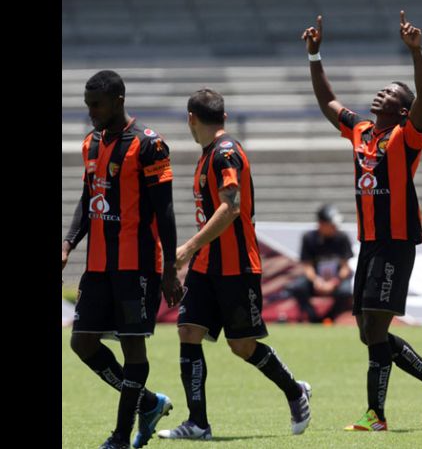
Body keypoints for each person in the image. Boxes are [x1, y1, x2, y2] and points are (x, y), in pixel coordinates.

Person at [302, 11, 422, 432]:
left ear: (404, 109)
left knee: (375, 326)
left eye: (389, 93)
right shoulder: (362, 131)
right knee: (366, 332)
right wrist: (315, 58)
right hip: (369, 242)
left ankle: (376, 414)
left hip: (396, 240)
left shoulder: (407, 136)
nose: (379, 94)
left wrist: (417, 54)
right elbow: (327, 103)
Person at [159, 88, 311, 440]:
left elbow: (231, 208)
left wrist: (187, 247)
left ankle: (294, 391)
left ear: (191, 118)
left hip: (237, 265)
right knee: (188, 331)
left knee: (242, 346)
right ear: (223, 117)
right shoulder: (208, 153)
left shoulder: (225, 153)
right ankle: (198, 423)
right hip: (207, 265)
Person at [61, 70, 185, 449]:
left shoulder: (149, 145)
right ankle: (147, 403)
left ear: (118, 100)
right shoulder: (92, 144)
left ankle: (120, 435)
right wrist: (68, 243)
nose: (91, 112)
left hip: (137, 267)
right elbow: (89, 198)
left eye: (96, 105)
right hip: (99, 267)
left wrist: (168, 271)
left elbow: (164, 212)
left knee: (133, 347)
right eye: (87, 105)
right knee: (81, 343)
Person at [282, 204, 354, 323]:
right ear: (321, 223)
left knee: (346, 292)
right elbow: (307, 266)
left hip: (336, 280)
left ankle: (329, 318)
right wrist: (316, 280)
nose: (335, 227)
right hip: (316, 280)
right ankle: (313, 318)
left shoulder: (342, 238)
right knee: (297, 287)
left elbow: (345, 267)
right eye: (332, 224)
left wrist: (333, 282)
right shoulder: (309, 238)